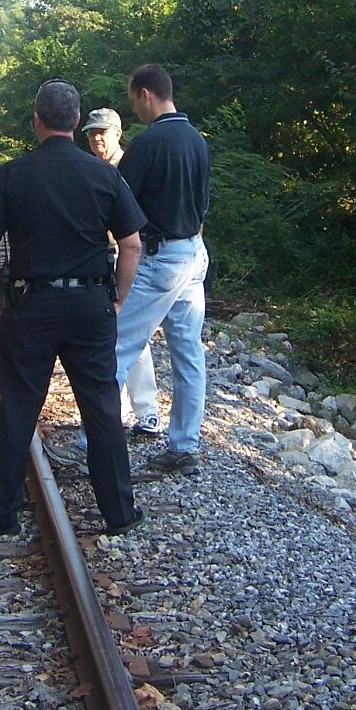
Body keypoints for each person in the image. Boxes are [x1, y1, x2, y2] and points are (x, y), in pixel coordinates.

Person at [0, 79, 145, 537]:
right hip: (89, 305)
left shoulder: (13, 173)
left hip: (30, 305)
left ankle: (3, 513)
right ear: (78, 121)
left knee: (19, 408)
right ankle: (119, 513)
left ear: (37, 121)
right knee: (101, 408)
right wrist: (118, 297)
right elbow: (132, 245)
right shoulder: (105, 175)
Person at [115, 65, 211, 475]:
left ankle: (91, 444)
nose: (134, 107)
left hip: (160, 260)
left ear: (146, 93)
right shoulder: (197, 141)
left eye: (134, 98)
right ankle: (184, 447)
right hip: (193, 254)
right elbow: (203, 208)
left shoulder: (149, 143)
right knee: (189, 356)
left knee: (116, 347)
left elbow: (116, 202)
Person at [82, 107, 160, 438]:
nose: (97, 137)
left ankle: (147, 410)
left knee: (132, 333)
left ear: (118, 132)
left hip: (127, 256)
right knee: (107, 334)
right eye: (91, 132)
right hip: (99, 258)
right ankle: (118, 407)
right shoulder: (88, 169)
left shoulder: (131, 168)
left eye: (103, 131)